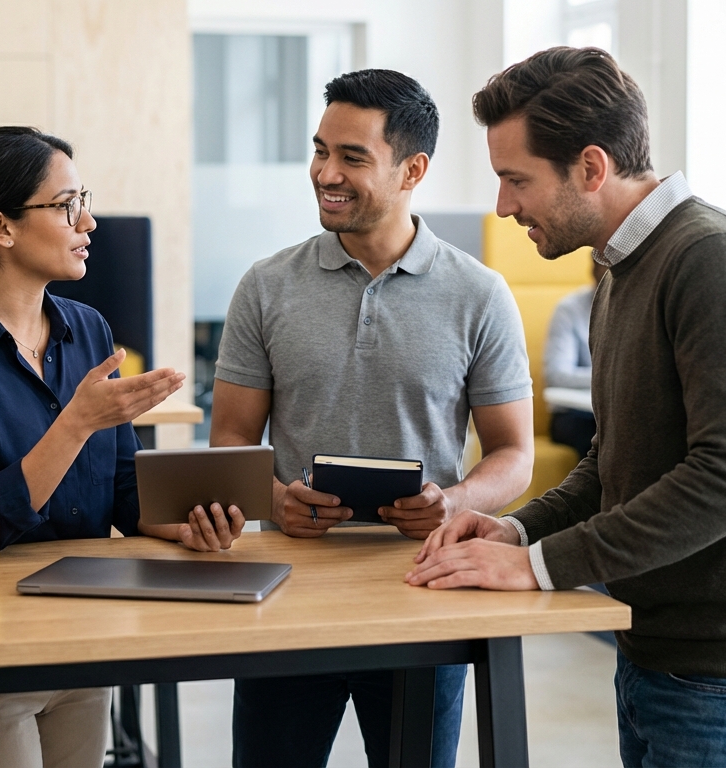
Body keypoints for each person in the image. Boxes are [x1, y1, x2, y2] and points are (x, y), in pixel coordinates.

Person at [408, 47, 726, 768]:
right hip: (655, 647)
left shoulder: (714, 261)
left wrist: (541, 567)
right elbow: (615, 460)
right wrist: (518, 530)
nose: (504, 207)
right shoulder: (618, 270)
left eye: (517, 181)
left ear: (592, 168)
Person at [0, 126, 244, 768]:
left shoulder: (87, 329)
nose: (90, 220)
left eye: (85, 199)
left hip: (83, 624)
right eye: (66, 204)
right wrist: (75, 424)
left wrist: (186, 524)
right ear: (1, 227)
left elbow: (123, 493)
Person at [212, 70, 536, 768]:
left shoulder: (480, 295)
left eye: (353, 157)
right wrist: (273, 501)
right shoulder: (265, 286)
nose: (326, 172)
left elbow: (514, 455)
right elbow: (230, 438)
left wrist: (451, 503)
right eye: (321, 149)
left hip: (423, 592)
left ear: (413, 169)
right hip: (288, 597)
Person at [543, 260, 607, 458]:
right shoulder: (569, 309)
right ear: (593, 269)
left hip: (619, 412)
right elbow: (556, 374)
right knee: (599, 436)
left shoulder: (643, 307)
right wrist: (613, 376)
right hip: (577, 414)